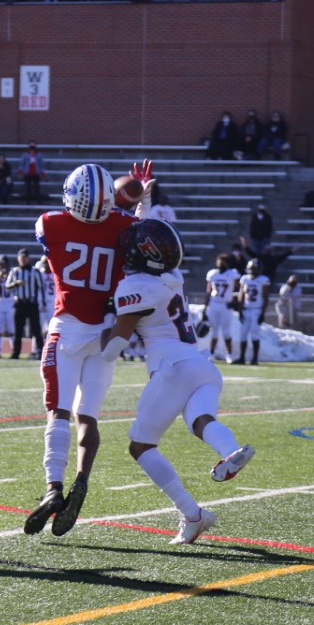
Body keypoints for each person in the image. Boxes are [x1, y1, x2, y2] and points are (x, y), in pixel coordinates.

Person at [100, 217, 255, 545]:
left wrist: (96, 331)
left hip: (173, 368)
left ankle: (192, 513)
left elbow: (112, 349)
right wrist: (144, 203)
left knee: (140, 446)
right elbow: (153, 246)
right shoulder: (171, 277)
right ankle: (230, 451)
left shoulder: (136, 288)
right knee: (200, 420)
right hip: (202, 365)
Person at [24, 161, 153, 538]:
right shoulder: (126, 226)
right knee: (88, 418)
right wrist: (141, 197)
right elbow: (138, 232)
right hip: (106, 333)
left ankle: (54, 488)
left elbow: (57, 245)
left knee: (58, 413)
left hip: (66, 329)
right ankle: (82, 480)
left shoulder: (50, 224)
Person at [5, 248, 44, 359]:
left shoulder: (35, 271)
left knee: (36, 329)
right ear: (18, 259)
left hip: (32, 303)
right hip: (19, 303)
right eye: (21, 258)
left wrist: (43, 303)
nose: (23, 260)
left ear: (28, 258)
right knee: (18, 330)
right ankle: (16, 353)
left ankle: (41, 352)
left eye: (25, 257)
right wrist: (16, 284)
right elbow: (7, 286)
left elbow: (41, 287)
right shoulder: (14, 271)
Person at [202, 254, 239, 362]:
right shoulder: (212, 274)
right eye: (219, 261)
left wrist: (234, 300)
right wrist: (205, 307)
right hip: (214, 304)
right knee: (214, 331)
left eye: (223, 262)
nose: (221, 264)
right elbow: (208, 291)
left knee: (226, 332)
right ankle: (211, 354)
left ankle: (230, 354)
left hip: (225, 305)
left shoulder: (232, 274)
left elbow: (241, 289)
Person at [236, 258, 270, 365]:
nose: (254, 271)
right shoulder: (245, 279)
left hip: (256, 310)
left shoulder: (263, 280)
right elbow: (241, 295)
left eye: (255, 269)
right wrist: (240, 310)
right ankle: (241, 357)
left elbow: (265, 297)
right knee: (243, 334)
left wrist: (262, 313)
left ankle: (255, 358)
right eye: (252, 269)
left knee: (254, 335)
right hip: (246, 309)